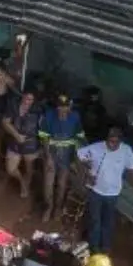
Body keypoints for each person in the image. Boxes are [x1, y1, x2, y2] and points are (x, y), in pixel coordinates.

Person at [77, 126, 133, 253]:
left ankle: (105, 246)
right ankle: (94, 247)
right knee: (95, 220)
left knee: (108, 221)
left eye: (115, 142)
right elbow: (79, 156)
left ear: (120, 141)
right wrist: (88, 172)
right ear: (106, 139)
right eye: (110, 141)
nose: (112, 144)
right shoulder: (96, 147)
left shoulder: (126, 151)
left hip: (113, 193)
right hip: (95, 191)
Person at [36, 91, 84, 219]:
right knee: (48, 183)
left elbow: (79, 137)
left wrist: (74, 159)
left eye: (65, 106)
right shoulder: (49, 115)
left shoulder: (75, 117)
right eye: (60, 106)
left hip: (67, 155)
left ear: (70, 106)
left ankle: (57, 207)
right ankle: (48, 207)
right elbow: (44, 136)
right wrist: (49, 157)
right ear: (56, 106)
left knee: (62, 183)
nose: (62, 109)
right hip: (51, 153)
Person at [2, 90, 44, 200]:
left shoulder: (37, 111)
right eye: (26, 98)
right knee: (10, 169)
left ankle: (25, 186)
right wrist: (16, 135)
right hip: (15, 142)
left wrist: (42, 147)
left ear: (34, 101)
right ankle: (22, 182)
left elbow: (43, 129)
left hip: (31, 143)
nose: (27, 101)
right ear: (22, 97)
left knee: (29, 169)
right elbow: (5, 122)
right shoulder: (14, 107)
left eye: (30, 99)